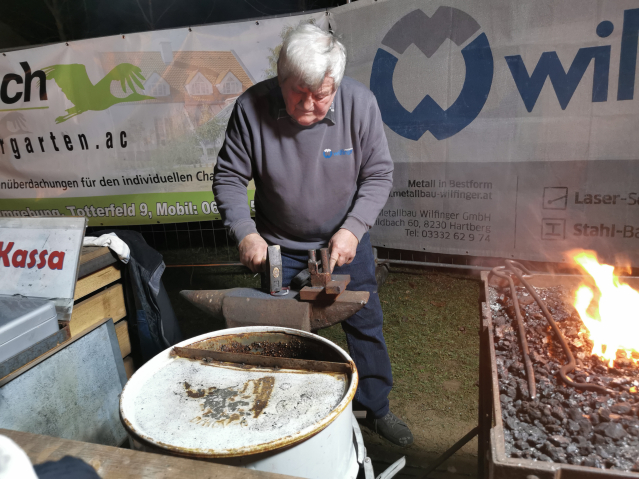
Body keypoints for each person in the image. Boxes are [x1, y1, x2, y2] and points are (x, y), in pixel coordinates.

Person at [212, 23, 413, 447]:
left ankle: (375, 409)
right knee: (288, 336)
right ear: (280, 77)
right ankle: (296, 415)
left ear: (335, 84)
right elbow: (229, 177)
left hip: (345, 243)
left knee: (365, 325)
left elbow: (378, 174)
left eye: (320, 95)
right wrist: (246, 233)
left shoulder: (360, 103)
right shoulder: (251, 107)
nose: (308, 105)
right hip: (279, 250)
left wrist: (353, 229)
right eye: (297, 92)